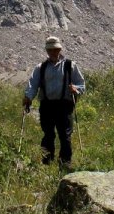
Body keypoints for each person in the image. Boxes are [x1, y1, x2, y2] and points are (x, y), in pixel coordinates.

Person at [23, 35, 85, 169]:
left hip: (65, 106)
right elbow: (33, 84)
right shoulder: (41, 67)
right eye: (50, 50)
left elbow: (81, 84)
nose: (53, 52)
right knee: (48, 135)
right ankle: (46, 162)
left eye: (55, 49)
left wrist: (76, 89)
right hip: (47, 105)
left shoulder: (70, 65)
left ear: (60, 49)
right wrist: (28, 97)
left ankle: (65, 164)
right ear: (46, 51)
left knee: (65, 135)